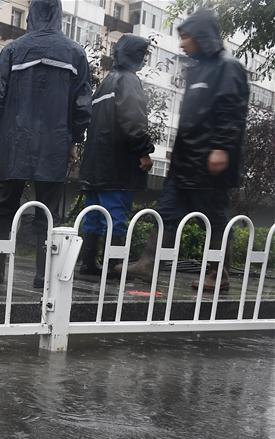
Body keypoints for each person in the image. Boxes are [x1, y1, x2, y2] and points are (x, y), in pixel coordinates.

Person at [125, 8, 248, 291]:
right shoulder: (196, 70)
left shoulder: (228, 68)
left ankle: (219, 275)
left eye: (185, 37)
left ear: (202, 36)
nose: (181, 43)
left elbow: (231, 110)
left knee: (215, 219)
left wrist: (221, 148)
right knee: (166, 211)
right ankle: (147, 263)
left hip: (210, 162)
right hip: (184, 162)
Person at [0, 0, 92, 288]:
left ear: (31, 14)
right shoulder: (75, 53)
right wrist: (74, 140)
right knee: (48, 212)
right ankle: (42, 276)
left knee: (5, 208)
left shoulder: (12, 50)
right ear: (58, 14)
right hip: (55, 141)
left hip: (13, 139)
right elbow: (82, 106)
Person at [78, 35, 154, 277]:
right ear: (138, 56)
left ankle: (88, 263)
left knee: (94, 216)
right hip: (117, 165)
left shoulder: (106, 82)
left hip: (94, 165)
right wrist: (144, 152)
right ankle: (115, 267)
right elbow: (133, 120)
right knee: (115, 218)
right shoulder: (129, 81)